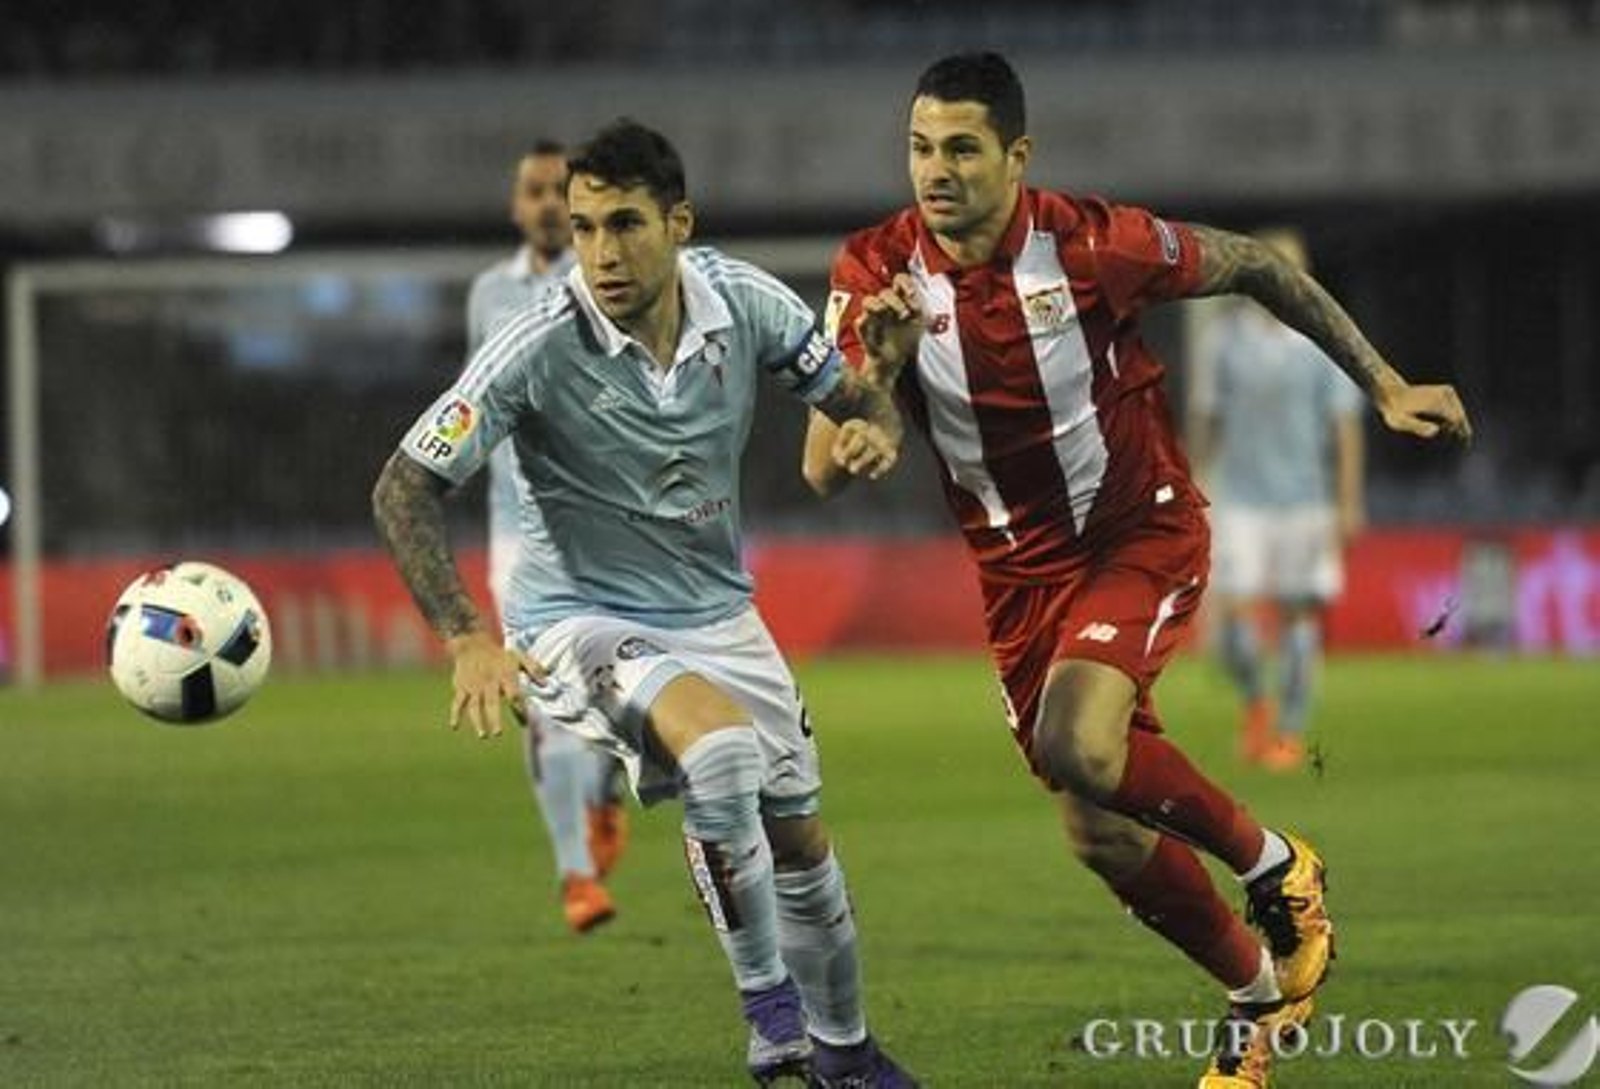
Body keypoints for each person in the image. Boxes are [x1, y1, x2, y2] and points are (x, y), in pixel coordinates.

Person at [803, 53, 1471, 1089]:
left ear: (1016, 157)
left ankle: (1277, 866)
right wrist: (876, 374)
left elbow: (1255, 263)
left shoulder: (1090, 245)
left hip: (1136, 532)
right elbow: (825, 467)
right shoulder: (871, 274)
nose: (935, 171)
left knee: (1077, 739)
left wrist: (1381, 384)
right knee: (1098, 833)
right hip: (1016, 583)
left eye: (962, 149)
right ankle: (1258, 1002)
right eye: (920, 147)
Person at [374, 118, 917, 1088]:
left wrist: (874, 423)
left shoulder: (744, 301)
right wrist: (465, 636)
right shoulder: (535, 340)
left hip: (718, 611)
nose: (599, 252)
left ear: (678, 223)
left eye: (622, 224)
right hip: (574, 617)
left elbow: (854, 403)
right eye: (583, 228)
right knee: (719, 754)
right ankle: (769, 1014)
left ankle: (846, 1052)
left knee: (799, 837)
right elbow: (404, 484)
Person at [466, 139, 631, 933]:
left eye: (554, 192)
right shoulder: (488, 295)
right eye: (530, 190)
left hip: (617, 526)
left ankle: (603, 794)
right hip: (521, 540)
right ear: (514, 205)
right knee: (548, 706)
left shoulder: (613, 284)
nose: (541, 204)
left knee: (610, 698)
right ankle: (575, 874)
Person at [1186, 228, 1366, 772]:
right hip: (1240, 496)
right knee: (1234, 621)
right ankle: (1256, 703)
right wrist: (1194, 487)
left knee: (1298, 617)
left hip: (1306, 500)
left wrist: (1348, 500)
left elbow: (1344, 427)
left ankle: (1288, 729)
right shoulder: (1223, 340)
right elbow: (1207, 418)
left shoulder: (1321, 341)